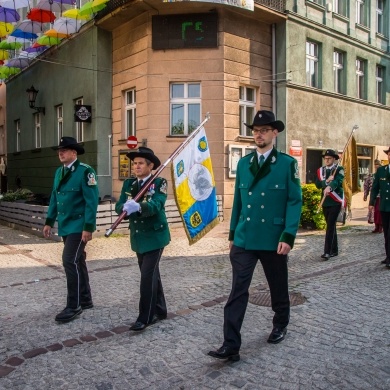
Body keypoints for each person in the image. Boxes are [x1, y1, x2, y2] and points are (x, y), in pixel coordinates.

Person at [208, 110, 302, 362]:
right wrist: (232, 234)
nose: (258, 134)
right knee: (238, 289)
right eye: (255, 130)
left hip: (273, 238)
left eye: (263, 130)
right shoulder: (243, 163)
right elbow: (238, 201)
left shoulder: (286, 164)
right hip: (245, 238)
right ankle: (230, 345)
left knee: (277, 285)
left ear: (275, 133)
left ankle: (281, 323)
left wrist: (288, 235)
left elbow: (294, 201)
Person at [43, 137, 99, 322]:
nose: (61, 153)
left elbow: (91, 201)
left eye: (65, 150)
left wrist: (88, 227)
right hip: (66, 225)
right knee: (78, 260)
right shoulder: (59, 172)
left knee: (69, 261)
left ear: (74, 153)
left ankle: (73, 306)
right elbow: (54, 197)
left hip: (79, 225)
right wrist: (49, 221)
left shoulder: (85, 172)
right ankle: (85, 299)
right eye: (60, 150)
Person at [115, 147, 170, 331]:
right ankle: (161, 310)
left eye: (140, 163)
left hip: (155, 236)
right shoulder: (129, 184)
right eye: (134, 163)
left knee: (147, 276)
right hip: (138, 237)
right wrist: (124, 206)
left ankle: (145, 317)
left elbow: (157, 204)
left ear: (150, 165)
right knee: (152, 274)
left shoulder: (159, 182)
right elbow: (118, 206)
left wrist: (139, 207)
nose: (136, 167)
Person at [315, 149, 345, 261]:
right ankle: (334, 249)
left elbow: (338, 181)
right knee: (330, 225)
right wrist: (326, 182)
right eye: (325, 158)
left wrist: (330, 186)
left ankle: (327, 251)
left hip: (335, 201)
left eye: (329, 158)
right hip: (325, 201)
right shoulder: (320, 171)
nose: (327, 160)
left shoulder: (339, 169)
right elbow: (318, 184)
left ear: (334, 159)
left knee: (330, 226)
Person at [369, 148, 390, 268]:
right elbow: (375, 187)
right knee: (386, 233)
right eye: (389, 154)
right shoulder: (381, 170)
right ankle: (388, 256)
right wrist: (371, 203)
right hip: (384, 206)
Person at [363, 160, 382, 233]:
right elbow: (366, 185)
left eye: (378, 167)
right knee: (374, 212)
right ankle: (376, 226)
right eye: (375, 167)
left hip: (381, 196)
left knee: (379, 212)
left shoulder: (383, 175)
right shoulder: (371, 176)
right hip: (374, 197)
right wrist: (365, 194)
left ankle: (381, 226)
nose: (376, 169)